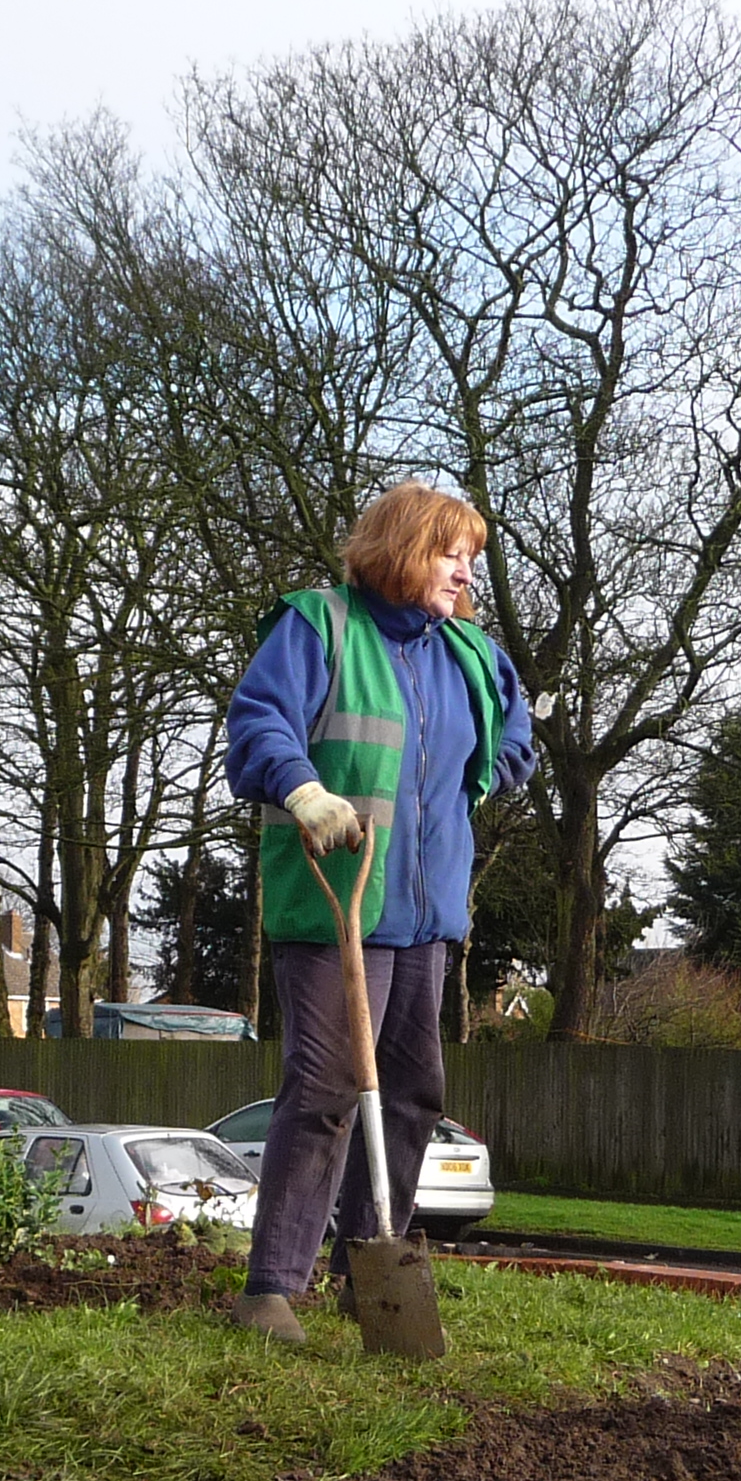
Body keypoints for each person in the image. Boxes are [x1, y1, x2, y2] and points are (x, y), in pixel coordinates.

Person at [219, 483, 536, 1340]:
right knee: (325, 1089)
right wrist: (304, 789)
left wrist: (488, 774)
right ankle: (270, 1288)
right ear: (400, 548)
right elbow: (257, 724)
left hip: (425, 915)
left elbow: (517, 731)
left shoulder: (469, 651)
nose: (465, 569)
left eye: (470, 555)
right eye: (449, 551)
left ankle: (369, 1268)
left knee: (413, 1092)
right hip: (334, 908)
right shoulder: (318, 625)